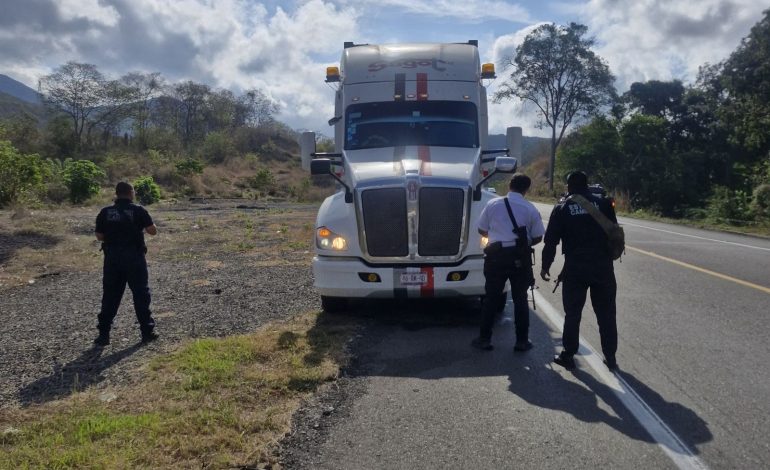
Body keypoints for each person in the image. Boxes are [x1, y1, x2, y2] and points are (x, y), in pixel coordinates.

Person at [540, 171, 618, 370]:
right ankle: (610, 357)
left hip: (576, 268)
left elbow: (550, 242)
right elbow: (614, 233)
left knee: (573, 313)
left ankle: (568, 355)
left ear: (569, 187)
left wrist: (545, 266)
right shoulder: (604, 204)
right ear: (587, 184)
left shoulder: (563, 207)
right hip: (603, 267)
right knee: (606, 314)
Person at [472, 174, 544, 352]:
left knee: (491, 299)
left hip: (496, 257)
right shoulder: (530, 208)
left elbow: (481, 229)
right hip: (519, 258)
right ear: (527, 189)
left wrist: (497, 237)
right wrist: (522, 243)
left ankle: (484, 339)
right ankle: (521, 341)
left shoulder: (493, 204)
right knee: (520, 299)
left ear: (510, 185)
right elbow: (537, 236)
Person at [93, 182, 158, 346]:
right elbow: (152, 231)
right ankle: (147, 332)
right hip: (134, 258)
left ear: (116, 194)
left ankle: (103, 335)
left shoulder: (105, 212)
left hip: (113, 259)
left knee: (110, 296)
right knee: (141, 294)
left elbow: (99, 236)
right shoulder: (138, 210)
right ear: (130, 193)